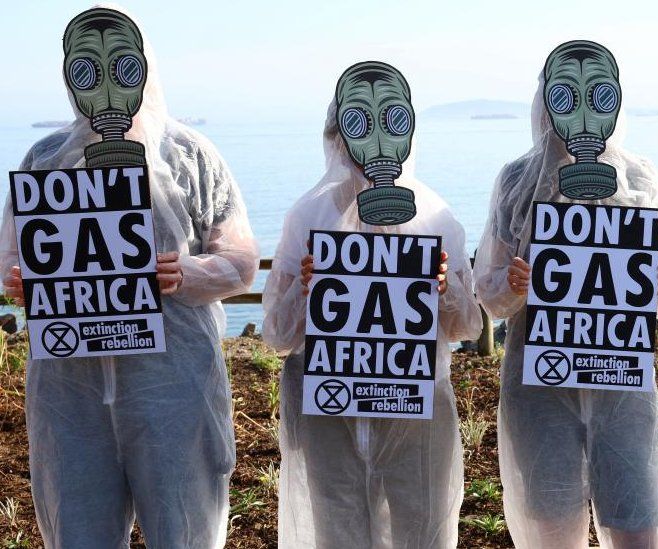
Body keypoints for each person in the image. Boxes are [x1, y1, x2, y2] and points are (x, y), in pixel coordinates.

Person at [0, 6, 259, 548]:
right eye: (87, 70)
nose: (108, 88)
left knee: (184, 529)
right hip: (69, 393)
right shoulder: (44, 161)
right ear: (70, 77)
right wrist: (20, 280)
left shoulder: (189, 156)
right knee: (78, 531)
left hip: (174, 384)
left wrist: (189, 273)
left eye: (122, 66)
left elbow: (239, 261)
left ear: (144, 68)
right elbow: (10, 257)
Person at [473, 41, 658, 549]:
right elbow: (489, 284)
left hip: (621, 380)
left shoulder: (640, 176)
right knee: (551, 520)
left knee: (636, 516)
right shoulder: (516, 181)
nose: (584, 113)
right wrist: (513, 285)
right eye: (567, 97)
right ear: (546, 103)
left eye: (598, 95)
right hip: (540, 383)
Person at [262, 61, 482, 549]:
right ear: (339, 135)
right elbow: (278, 335)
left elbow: (467, 326)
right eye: (360, 123)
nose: (376, 143)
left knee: (421, 533)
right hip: (328, 419)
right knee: (338, 536)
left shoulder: (436, 217)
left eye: (393, 122)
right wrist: (303, 288)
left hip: (417, 416)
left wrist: (446, 287)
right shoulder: (309, 215)